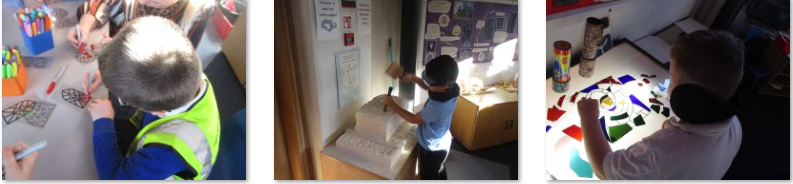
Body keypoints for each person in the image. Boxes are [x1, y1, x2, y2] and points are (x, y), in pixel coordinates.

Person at [577, 30, 744, 179]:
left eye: (671, 78)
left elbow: (602, 170)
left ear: (688, 97)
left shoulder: (663, 152)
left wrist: (589, 118)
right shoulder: (735, 125)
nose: (667, 83)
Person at [87, 16, 220, 180]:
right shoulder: (190, 75)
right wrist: (111, 76)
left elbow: (114, 179)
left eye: (123, 99)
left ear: (158, 111)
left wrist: (103, 122)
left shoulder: (168, 150)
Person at [383, 55, 460, 180]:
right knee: (439, 170)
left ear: (443, 85)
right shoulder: (451, 89)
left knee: (428, 175)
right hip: (442, 142)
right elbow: (430, 87)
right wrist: (413, 78)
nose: (429, 84)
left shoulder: (438, 107)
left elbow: (413, 118)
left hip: (432, 148)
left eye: (431, 82)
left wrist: (391, 104)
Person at [67, 0, 215, 50]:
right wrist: (84, 28)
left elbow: (174, 58)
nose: (141, 2)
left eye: (154, 1)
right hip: (109, 47)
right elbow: (102, 4)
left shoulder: (198, 12)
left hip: (137, 69)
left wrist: (122, 49)